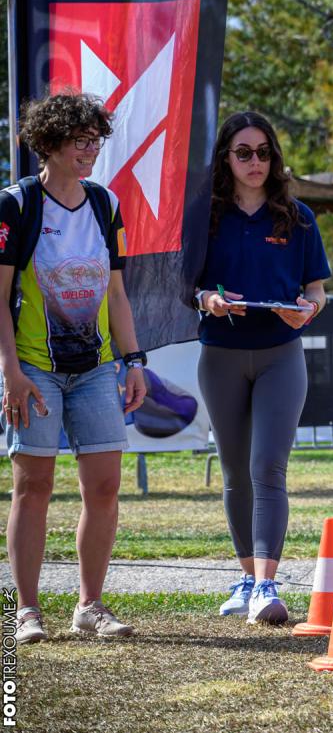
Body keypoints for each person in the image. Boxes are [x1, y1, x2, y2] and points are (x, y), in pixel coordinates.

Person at [2, 90, 147, 644]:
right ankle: (26, 611)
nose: (90, 151)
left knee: (105, 487)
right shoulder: (16, 204)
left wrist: (133, 361)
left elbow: (117, 293)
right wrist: (11, 372)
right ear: (49, 142)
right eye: (80, 141)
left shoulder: (105, 204)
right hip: (33, 368)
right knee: (33, 485)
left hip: (96, 369)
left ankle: (90, 605)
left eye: (95, 141)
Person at [195, 111, 331, 625]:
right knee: (235, 472)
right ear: (226, 158)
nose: (255, 162)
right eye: (243, 152)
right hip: (221, 354)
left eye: (264, 152)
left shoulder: (297, 217)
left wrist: (308, 309)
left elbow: (316, 290)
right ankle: (247, 579)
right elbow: (184, 286)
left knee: (268, 466)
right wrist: (208, 299)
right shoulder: (204, 215)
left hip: (281, 353)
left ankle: (267, 585)